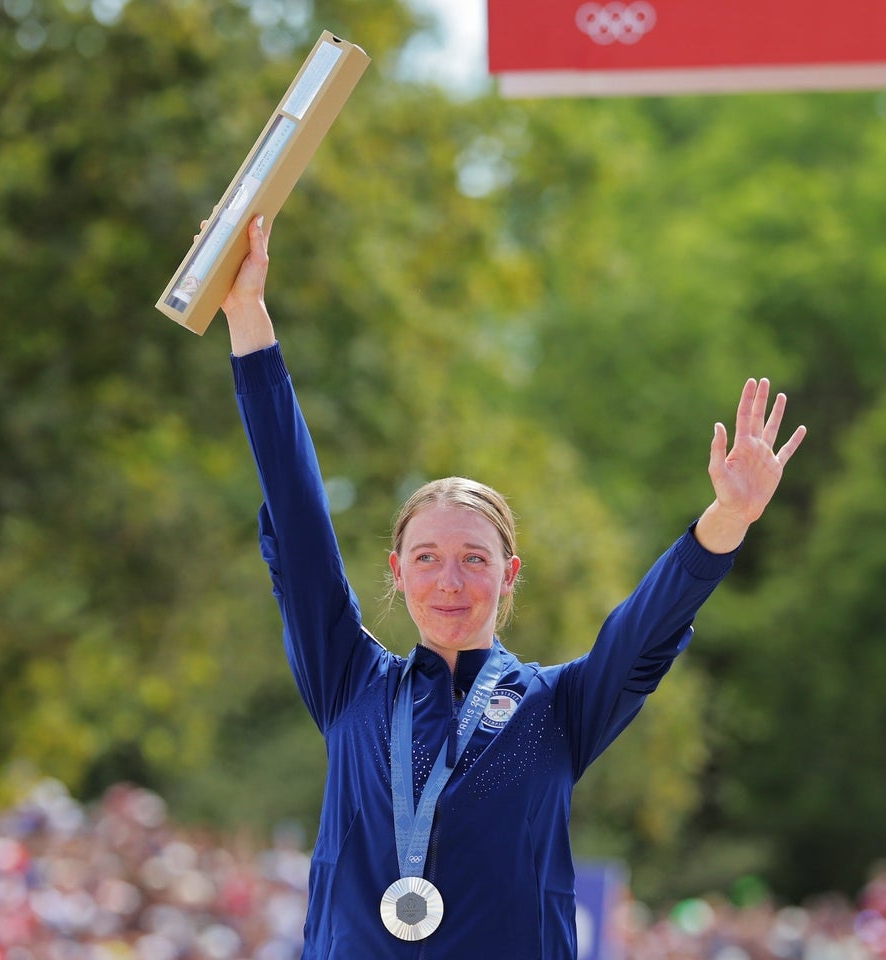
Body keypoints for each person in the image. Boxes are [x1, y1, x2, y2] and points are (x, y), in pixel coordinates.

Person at [222, 214, 806, 958]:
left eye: (474, 558)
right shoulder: (350, 684)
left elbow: (647, 628)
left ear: (509, 576)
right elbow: (300, 523)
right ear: (397, 575)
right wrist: (249, 321)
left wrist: (727, 517)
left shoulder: (556, 709)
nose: (451, 580)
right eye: (427, 558)